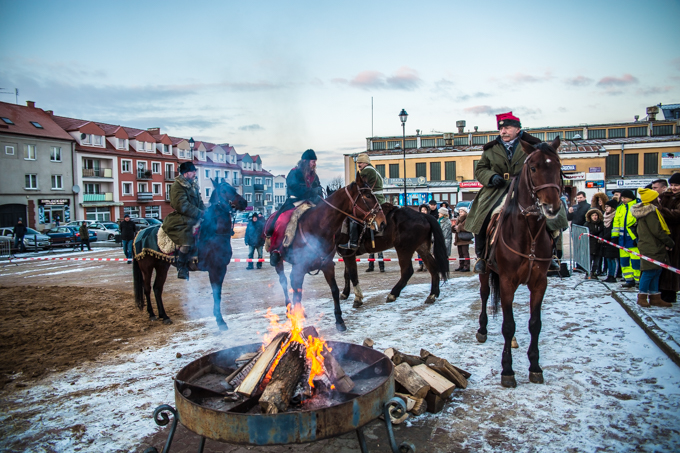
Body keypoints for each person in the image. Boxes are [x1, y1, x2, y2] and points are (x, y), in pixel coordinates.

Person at [466, 111, 566, 274]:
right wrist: (492, 177)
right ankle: (481, 257)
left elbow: (542, 167)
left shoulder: (534, 145)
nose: (503, 131)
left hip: (526, 187)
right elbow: (481, 169)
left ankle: (552, 254)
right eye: (501, 129)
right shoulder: (491, 149)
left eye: (507, 128)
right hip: (497, 189)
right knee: (482, 215)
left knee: (553, 214)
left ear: (518, 129)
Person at [266, 149, 322, 265]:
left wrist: (319, 192)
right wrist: (310, 191)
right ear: (306, 161)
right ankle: (276, 249)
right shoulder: (294, 173)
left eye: (315, 161)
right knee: (282, 221)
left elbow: (318, 187)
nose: (314, 164)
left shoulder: (314, 175)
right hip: (295, 202)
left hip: (310, 202)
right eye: (313, 161)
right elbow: (294, 188)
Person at [162, 161, 205, 280]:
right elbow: (181, 205)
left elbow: (200, 203)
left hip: (194, 215)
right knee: (186, 237)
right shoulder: (177, 186)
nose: (195, 173)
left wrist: (207, 212)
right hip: (181, 218)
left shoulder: (194, 186)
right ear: (186, 173)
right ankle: (181, 267)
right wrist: (199, 213)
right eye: (193, 171)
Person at [631, 188, 674, 307]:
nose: (659, 199)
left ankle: (655, 297)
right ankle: (642, 297)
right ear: (652, 200)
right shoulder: (650, 212)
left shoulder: (645, 211)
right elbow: (657, 231)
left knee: (656, 271)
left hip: (651, 245)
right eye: (657, 197)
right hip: (652, 246)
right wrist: (669, 242)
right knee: (649, 272)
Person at [349, 153, 385, 272]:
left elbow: (357, 187)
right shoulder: (374, 170)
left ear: (366, 163)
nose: (359, 164)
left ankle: (353, 242)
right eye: (358, 162)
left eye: (361, 162)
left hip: (372, 200)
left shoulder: (366, 171)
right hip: (378, 198)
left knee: (353, 218)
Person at [658, 172, 680, 303]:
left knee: (674, 265)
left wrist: (661, 210)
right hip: (665, 236)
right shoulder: (666, 197)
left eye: (677, 185)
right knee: (664, 263)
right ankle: (662, 290)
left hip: (677, 237)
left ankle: (671, 292)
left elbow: (677, 215)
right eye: (672, 185)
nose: (674, 187)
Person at [612, 189, 639, 288]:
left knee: (636, 262)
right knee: (624, 261)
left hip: (633, 238)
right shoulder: (620, 207)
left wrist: (638, 238)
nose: (623, 199)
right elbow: (616, 223)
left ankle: (638, 280)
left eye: (625, 198)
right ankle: (629, 280)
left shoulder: (637, 206)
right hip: (622, 240)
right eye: (622, 198)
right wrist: (614, 236)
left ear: (631, 197)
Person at [600, 200, 620, 283]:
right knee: (608, 259)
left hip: (613, 241)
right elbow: (603, 229)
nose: (606, 208)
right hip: (606, 242)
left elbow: (613, 230)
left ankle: (613, 275)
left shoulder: (614, 217)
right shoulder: (605, 217)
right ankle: (609, 275)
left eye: (608, 207)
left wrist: (604, 238)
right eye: (605, 207)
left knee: (613, 259)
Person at [584, 209, 604, 279]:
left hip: (598, 246)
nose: (594, 217)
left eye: (596, 215)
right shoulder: (587, 224)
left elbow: (602, 231)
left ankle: (594, 272)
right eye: (593, 215)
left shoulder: (601, 224)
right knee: (589, 260)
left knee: (596, 261)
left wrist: (600, 236)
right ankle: (588, 272)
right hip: (590, 245)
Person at [454, 206, 472, 272]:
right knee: (460, 253)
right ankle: (461, 265)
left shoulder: (468, 219)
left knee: (465, 253)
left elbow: (468, 228)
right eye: (459, 212)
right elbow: (457, 227)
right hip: (459, 239)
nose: (460, 213)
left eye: (461, 212)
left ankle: (467, 266)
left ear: (465, 212)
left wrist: (458, 227)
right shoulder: (458, 219)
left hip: (464, 239)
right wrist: (454, 228)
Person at [417, 204, 430, 271]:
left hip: (426, 238)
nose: (423, 211)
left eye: (425, 210)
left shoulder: (429, 218)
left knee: (426, 252)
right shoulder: (418, 219)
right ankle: (420, 264)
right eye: (422, 210)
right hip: (419, 238)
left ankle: (426, 265)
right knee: (419, 252)